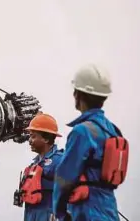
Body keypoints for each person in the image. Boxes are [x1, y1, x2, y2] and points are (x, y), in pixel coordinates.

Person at [52, 64, 129, 221]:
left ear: (78, 94)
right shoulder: (113, 130)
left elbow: (64, 176)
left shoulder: (82, 131)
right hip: (109, 210)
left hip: (87, 212)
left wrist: (59, 212)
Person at [13, 113, 64, 221]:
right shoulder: (35, 164)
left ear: (46, 139)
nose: (29, 140)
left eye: (33, 136)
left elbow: (72, 190)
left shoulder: (59, 161)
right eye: (30, 136)